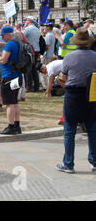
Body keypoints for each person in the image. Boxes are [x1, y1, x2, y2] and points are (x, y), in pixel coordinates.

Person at [55, 27, 96, 173]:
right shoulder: (95, 56)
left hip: (72, 94)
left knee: (69, 130)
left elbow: (64, 78)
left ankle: (68, 164)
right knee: (92, 129)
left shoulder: (69, 57)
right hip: (90, 94)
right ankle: (95, 161)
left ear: (76, 42)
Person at [0, 26, 22, 135]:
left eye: (2, 36)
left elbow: (2, 60)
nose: (2, 38)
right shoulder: (17, 43)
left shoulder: (9, 44)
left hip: (9, 77)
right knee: (14, 102)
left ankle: (10, 126)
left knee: (9, 103)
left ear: (7, 34)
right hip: (17, 76)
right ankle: (17, 125)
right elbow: (9, 58)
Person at [23, 16, 41, 92]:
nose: (25, 21)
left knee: (28, 69)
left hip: (30, 50)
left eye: (26, 20)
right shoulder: (37, 29)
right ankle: (36, 86)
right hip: (36, 50)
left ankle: (29, 86)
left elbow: (22, 37)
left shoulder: (27, 29)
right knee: (34, 69)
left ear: (29, 21)